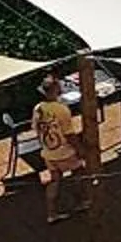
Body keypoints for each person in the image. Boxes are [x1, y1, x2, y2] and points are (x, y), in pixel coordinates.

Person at [32, 87, 83, 222]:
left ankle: (51, 213)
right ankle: (79, 202)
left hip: (48, 152)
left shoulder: (37, 108)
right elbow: (69, 134)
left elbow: (35, 128)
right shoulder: (62, 109)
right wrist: (80, 150)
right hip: (64, 151)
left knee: (54, 180)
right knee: (78, 173)